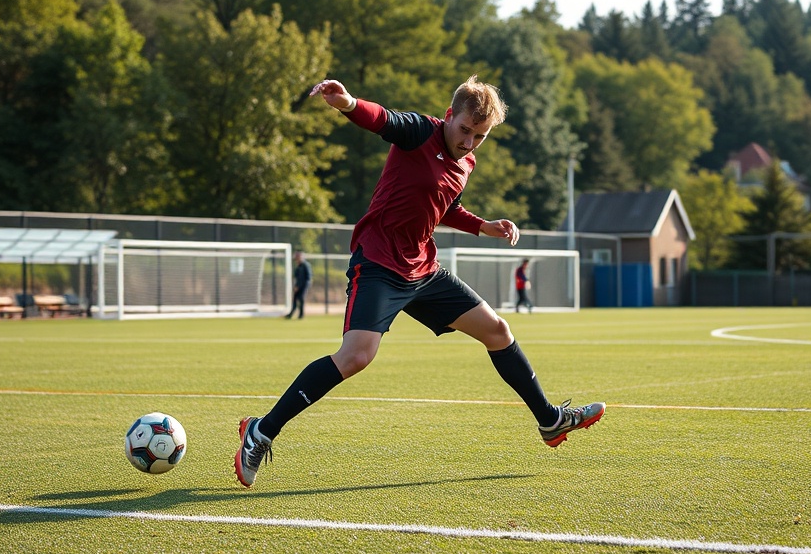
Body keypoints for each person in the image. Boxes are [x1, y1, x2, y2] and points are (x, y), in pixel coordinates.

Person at [235, 75, 605, 487]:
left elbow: (446, 205)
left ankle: (550, 421)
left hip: (423, 269)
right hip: (379, 262)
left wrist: (483, 226)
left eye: (480, 136)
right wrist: (348, 103)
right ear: (449, 116)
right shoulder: (419, 132)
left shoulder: (466, 162)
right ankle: (262, 431)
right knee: (356, 356)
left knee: (498, 331)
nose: (469, 142)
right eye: (465, 130)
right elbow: (382, 119)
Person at [284, 250, 312, 319]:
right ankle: (291, 314)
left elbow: (307, 277)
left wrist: (300, 286)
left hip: (303, 285)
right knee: (295, 299)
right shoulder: (298, 266)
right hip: (298, 285)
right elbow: (297, 277)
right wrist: (296, 285)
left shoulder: (305, 265)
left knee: (301, 298)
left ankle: (301, 314)